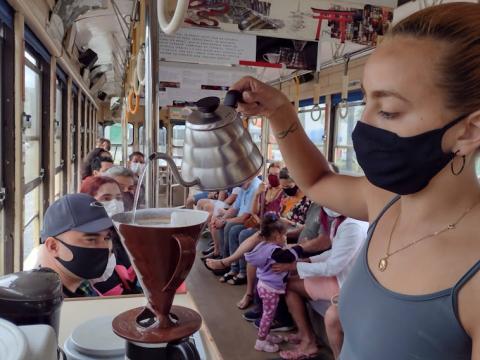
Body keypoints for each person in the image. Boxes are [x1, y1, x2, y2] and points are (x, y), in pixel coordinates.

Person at [231, 3, 480, 358]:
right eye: (365, 102)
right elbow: (317, 180)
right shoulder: (386, 200)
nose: (361, 126)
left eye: (389, 111)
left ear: (469, 130)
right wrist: (278, 111)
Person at [273, 209, 368, 359]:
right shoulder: (345, 221)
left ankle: (308, 342)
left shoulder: (352, 226)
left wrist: (295, 266)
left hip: (344, 283)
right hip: (341, 276)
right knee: (292, 278)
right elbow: (334, 253)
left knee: (288, 285)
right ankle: (304, 335)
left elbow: (332, 267)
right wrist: (306, 261)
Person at [244, 213, 304, 353]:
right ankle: (261, 341)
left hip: (263, 285)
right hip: (270, 288)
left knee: (267, 313)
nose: (285, 237)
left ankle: (266, 336)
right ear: (277, 236)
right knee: (268, 315)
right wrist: (300, 247)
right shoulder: (275, 252)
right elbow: (288, 257)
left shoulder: (264, 246)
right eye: (284, 235)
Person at [37, 193, 112, 297]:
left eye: (106, 238)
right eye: (91, 239)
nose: (104, 247)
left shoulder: (81, 285)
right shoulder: (43, 305)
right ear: (53, 246)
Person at [80, 176, 142, 295]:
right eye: (106, 198)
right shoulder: (84, 240)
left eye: (119, 198)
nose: (115, 203)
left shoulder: (118, 233)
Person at [212, 177, 261, 284]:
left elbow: (245, 217)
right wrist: (222, 219)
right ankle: (225, 261)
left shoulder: (255, 187)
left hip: (250, 221)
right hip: (242, 218)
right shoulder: (244, 186)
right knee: (223, 224)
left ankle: (238, 269)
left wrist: (225, 221)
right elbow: (235, 208)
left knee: (232, 229)